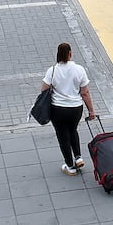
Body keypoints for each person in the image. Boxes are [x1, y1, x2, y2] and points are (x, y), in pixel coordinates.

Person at [41, 42, 97, 176]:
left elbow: (43, 89)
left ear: (58, 55)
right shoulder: (79, 69)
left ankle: (70, 166)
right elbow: (85, 93)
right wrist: (91, 111)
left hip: (58, 109)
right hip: (76, 109)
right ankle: (78, 157)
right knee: (73, 130)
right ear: (70, 54)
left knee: (62, 137)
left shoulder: (52, 70)